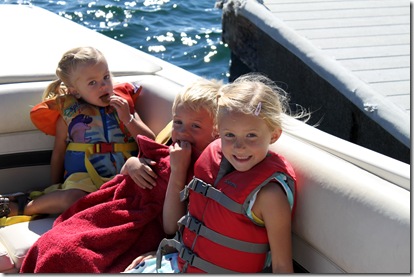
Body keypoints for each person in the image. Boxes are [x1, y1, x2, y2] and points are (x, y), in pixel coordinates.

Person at [19, 77, 223, 273]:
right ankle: (23, 206)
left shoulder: (204, 171)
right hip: (120, 208)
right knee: (54, 241)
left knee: (69, 253)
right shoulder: (172, 148)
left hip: (143, 227)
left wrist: (178, 171)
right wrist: (131, 164)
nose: (182, 132)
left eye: (195, 126)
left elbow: (171, 226)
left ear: (217, 133)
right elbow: (137, 170)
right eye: (177, 122)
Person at [124, 73, 306, 273]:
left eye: (251, 136)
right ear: (218, 132)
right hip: (179, 265)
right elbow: (178, 227)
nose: (239, 147)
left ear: (274, 135)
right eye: (229, 135)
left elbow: (281, 266)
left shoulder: (269, 195)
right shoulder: (210, 161)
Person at [0, 46, 155, 218]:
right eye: (92, 83)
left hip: (122, 176)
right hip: (83, 181)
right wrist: (57, 186)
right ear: (75, 91)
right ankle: (25, 207)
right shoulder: (68, 116)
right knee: (72, 198)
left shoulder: (124, 108)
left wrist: (128, 119)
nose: (103, 86)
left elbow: (150, 142)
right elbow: (58, 154)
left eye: (106, 77)